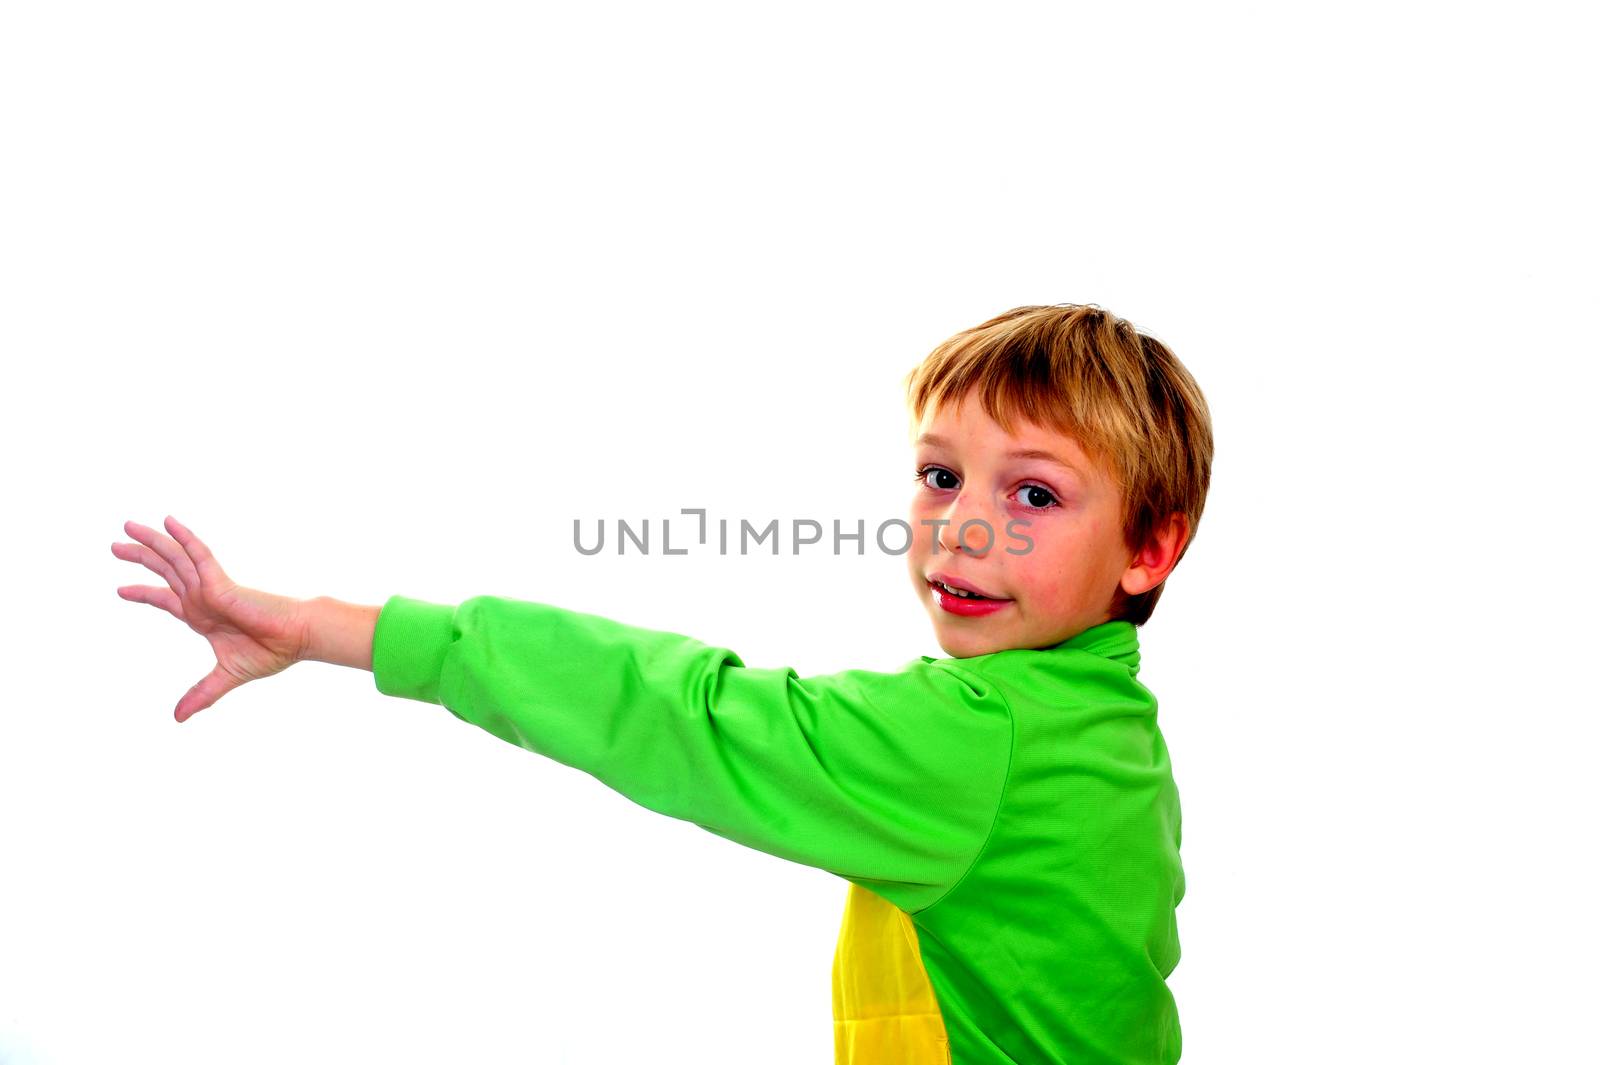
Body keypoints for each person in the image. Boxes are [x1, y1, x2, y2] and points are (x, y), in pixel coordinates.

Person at [112, 302, 1214, 1064]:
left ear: (1147, 549)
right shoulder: (1111, 726)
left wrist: (327, 629)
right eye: (938, 475)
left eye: (1033, 496)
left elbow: (669, 708)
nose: (961, 526)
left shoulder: (977, 737)